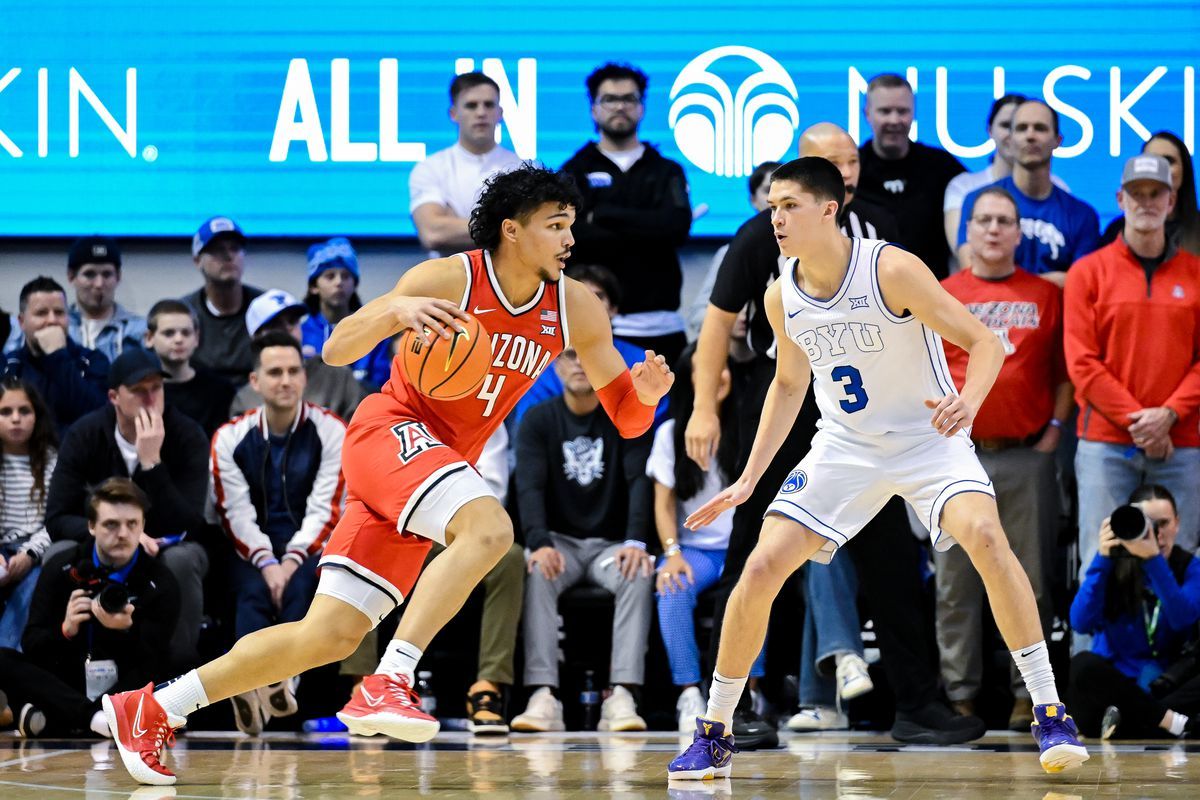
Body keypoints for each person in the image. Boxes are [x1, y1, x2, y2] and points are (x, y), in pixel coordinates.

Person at [102, 164, 673, 787]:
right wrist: (394, 309)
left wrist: (643, 396)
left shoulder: (576, 307)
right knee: (489, 530)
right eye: (555, 225)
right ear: (512, 230)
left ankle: (152, 707)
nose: (569, 239)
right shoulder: (447, 277)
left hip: (438, 466)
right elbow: (336, 349)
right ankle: (392, 679)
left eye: (571, 225)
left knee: (327, 636)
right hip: (389, 432)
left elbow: (629, 420)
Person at [669, 157, 1088, 781]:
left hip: (927, 439)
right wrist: (749, 479)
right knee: (759, 566)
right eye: (772, 207)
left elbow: (984, 342)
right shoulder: (782, 292)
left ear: (829, 209)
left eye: (789, 206)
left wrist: (966, 404)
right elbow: (787, 386)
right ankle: (715, 729)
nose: (776, 218)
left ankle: (1051, 711)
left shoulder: (890, 267)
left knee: (985, 537)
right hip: (845, 446)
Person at [688, 128, 976, 749]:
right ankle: (733, 706)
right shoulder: (764, 233)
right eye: (833, 160)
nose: (846, 169)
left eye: (852, 160)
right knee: (755, 555)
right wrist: (702, 410)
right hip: (781, 400)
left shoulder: (880, 231)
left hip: (864, 417)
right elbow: (715, 324)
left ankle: (917, 703)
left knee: (891, 556)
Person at [938, 186, 1073, 729]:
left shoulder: (1046, 293)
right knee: (954, 582)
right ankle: (960, 696)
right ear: (967, 231)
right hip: (953, 458)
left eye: (1004, 221)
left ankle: (1029, 696)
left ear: (1020, 233)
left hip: (1025, 456)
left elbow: (1064, 371)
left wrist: (1054, 432)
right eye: (983, 220)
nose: (994, 230)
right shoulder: (940, 292)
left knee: (1030, 579)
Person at [1066, 153, 1200, 578]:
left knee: (1181, 559)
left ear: (1171, 201)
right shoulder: (1088, 272)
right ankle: (1091, 648)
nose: (1146, 202)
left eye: (1155, 193)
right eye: (1136, 194)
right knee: (1100, 558)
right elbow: (1082, 363)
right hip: (1105, 443)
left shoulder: (1197, 274)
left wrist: (1168, 416)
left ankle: (1180, 648)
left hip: (1181, 442)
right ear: (1119, 199)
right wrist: (1141, 422)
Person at [510, 348, 655, 733]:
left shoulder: (626, 419)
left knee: (638, 572)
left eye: (585, 356)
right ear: (556, 366)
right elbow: (529, 488)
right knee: (538, 570)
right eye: (570, 356)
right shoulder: (538, 420)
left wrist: (637, 541)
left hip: (613, 545)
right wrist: (539, 542)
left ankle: (623, 693)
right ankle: (542, 694)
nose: (579, 363)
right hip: (560, 545)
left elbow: (641, 482)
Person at [211, 331, 346, 734]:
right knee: (252, 591)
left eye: (293, 371)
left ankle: (276, 683)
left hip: (311, 543)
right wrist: (267, 561)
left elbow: (328, 507)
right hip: (250, 544)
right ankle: (256, 686)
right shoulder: (230, 438)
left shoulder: (332, 431)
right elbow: (234, 512)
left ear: (305, 377)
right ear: (255, 382)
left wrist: (290, 561)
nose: (285, 380)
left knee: (304, 586)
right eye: (274, 372)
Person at [44, 348, 209, 669]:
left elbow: (191, 524)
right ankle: (54, 668)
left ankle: (179, 676)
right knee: (58, 554)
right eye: (138, 391)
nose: (150, 399)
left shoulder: (187, 434)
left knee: (183, 558)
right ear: (113, 397)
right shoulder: (85, 433)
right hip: (100, 544)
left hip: (164, 547)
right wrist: (118, 537)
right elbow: (57, 517)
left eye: (156, 389)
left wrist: (152, 463)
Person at [0, 479, 178, 737]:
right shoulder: (62, 568)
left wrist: (129, 630)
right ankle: (99, 720)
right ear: (91, 526)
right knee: (3, 658)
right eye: (111, 524)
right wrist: (66, 630)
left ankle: (62, 719)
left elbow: (158, 657)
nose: (123, 534)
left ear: (143, 526)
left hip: (126, 684)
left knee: (180, 664)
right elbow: (32, 645)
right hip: (69, 677)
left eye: (132, 524)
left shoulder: (159, 580)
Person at [648, 345, 766, 731]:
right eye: (704, 369)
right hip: (695, 549)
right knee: (671, 586)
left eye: (721, 368)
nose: (716, 376)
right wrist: (672, 553)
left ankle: (750, 691)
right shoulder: (670, 432)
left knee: (758, 586)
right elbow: (663, 504)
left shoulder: (750, 427)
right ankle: (688, 693)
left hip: (742, 547)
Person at [561, 62, 692, 365]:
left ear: (642, 107)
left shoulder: (666, 170)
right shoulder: (573, 170)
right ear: (593, 108)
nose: (620, 106)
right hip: (589, 327)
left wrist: (602, 213)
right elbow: (574, 235)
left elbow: (675, 228)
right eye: (609, 99)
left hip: (661, 329)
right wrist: (647, 225)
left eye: (629, 99)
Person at [1069, 485, 1200, 739]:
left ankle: (1135, 723)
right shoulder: (1112, 563)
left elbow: (1183, 618)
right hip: (1115, 688)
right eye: (1148, 525)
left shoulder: (1189, 567)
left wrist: (1154, 562)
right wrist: (1102, 558)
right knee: (1083, 664)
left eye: (1164, 523)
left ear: (1177, 524)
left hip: (1168, 684)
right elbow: (1080, 622)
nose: (1157, 534)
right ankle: (1169, 722)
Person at [958, 100, 1099, 285]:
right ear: (1010, 139)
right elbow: (971, 275)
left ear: (1058, 140)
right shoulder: (976, 201)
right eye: (1022, 128)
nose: (1030, 135)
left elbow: (1082, 286)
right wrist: (1051, 282)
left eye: (1040, 128)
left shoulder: (1082, 215)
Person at [511, 263, 664, 431]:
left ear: (613, 309)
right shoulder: (538, 364)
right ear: (562, 306)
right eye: (580, 298)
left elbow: (655, 431)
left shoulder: (641, 361)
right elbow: (529, 429)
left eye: (598, 296)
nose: (589, 304)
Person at [857, 74, 965, 278]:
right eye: (885, 111)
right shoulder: (851, 170)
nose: (894, 120)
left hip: (934, 294)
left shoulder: (942, 166)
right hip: (865, 294)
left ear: (913, 113)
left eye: (902, 111)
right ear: (867, 114)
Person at [409, 72, 522, 257]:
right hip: (448, 283)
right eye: (471, 105)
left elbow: (530, 234)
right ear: (453, 114)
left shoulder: (522, 169)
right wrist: (505, 225)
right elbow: (433, 233)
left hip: (509, 283)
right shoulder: (430, 168)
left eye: (489, 104)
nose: (481, 113)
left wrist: (453, 222)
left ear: (500, 113)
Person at [943, 95, 1070, 258]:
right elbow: (969, 261)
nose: (1028, 136)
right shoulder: (966, 189)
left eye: (1037, 128)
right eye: (1008, 126)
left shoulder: (1060, 189)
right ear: (990, 130)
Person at [231, 289, 368, 422]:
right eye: (275, 324)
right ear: (256, 337)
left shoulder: (338, 378)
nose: (287, 329)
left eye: (292, 321)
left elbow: (364, 432)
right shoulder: (245, 399)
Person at [685, 161, 781, 339]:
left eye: (785, 192)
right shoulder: (733, 250)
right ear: (752, 199)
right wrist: (728, 319)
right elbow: (698, 313)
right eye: (768, 190)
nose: (777, 200)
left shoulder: (808, 253)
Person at [3, 276, 110, 434]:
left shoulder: (93, 361)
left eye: (59, 313)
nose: (52, 320)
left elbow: (98, 418)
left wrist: (57, 355)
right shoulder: (7, 365)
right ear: (22, 322)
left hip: (80, 456)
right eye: (41, 313)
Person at [0, 378, 57, 649]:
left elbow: (55, 519)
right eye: (5, 412)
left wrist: (31, 553)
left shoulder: (51, 460)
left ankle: (8, 658)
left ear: (37, 415)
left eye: (24, 411)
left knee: (35, 586)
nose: (15, 419)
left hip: (33, 552)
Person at [181, 216, 265, 386]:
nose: (228, 256)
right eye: (217, 250)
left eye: (235, 249)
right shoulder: (184, 313)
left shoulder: (265, 307)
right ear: (197, 261)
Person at [301, 237, 392, 389]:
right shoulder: (300, 334)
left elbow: (382, 387)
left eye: (346, 276)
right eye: (330, 276)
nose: (339, 282)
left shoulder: (376, 331)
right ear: (314, 287)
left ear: (354, 283)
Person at [143, 300, 236, 439]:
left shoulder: (220, 390)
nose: (179, 339)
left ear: (196, 338)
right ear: (149, 338)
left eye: (186, 333)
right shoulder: (139, 390)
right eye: (169, 333)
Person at [1100, 131, 1200, 255]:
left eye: (1169, 161)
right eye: (1153, 160)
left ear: (1185, 170)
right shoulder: (1115, 231)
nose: (1161, 169)